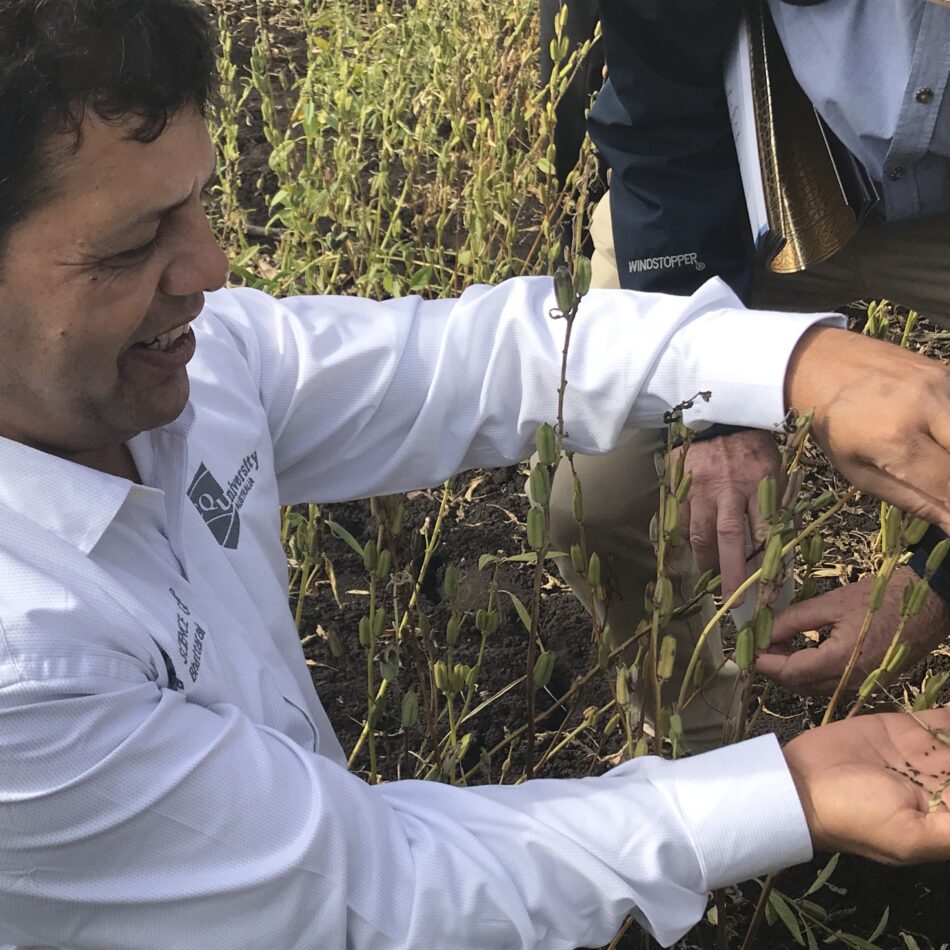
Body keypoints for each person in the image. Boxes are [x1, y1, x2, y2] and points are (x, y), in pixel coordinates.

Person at [4, 3, 950, 948]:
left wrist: (801, 368)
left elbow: (470, 363)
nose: (209, 267)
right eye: (131, 247)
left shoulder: (172, 370)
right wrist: (786, 795)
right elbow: (384, 894)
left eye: (198, 201)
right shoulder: (29, 668)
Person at [546, 0, 950, 747]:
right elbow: (658, 112)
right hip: (735, 171)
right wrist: (716, 405)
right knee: (597, 498)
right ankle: (697, 753)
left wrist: (936, 586)